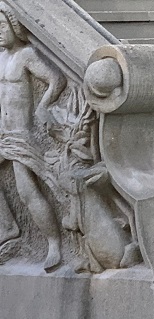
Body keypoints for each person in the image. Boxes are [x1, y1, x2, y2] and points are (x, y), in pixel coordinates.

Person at [0, 1, 66, 271]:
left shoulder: (26, 55)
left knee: (27, 191)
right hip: (2, 132)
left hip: (21, 134)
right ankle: (8, 228)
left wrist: (43, 106)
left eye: (3, 26)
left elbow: (56, 79)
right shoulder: (0, 57)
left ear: (15, 27)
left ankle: (54, 244)